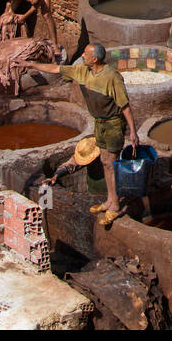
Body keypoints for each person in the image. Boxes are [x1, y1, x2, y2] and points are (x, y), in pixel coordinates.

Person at [24, 42, 138, 225]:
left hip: (113, 124)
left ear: (95, 59)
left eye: (85, 54)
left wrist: (132, 132)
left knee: (111, 162)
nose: (82, 56)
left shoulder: (111, 77)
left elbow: (125, 106)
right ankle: (109, 200)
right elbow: (55, 68)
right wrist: (32, 65)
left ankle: (115, 206)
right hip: (99, 122)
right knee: (104, 161)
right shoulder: (83, 72)